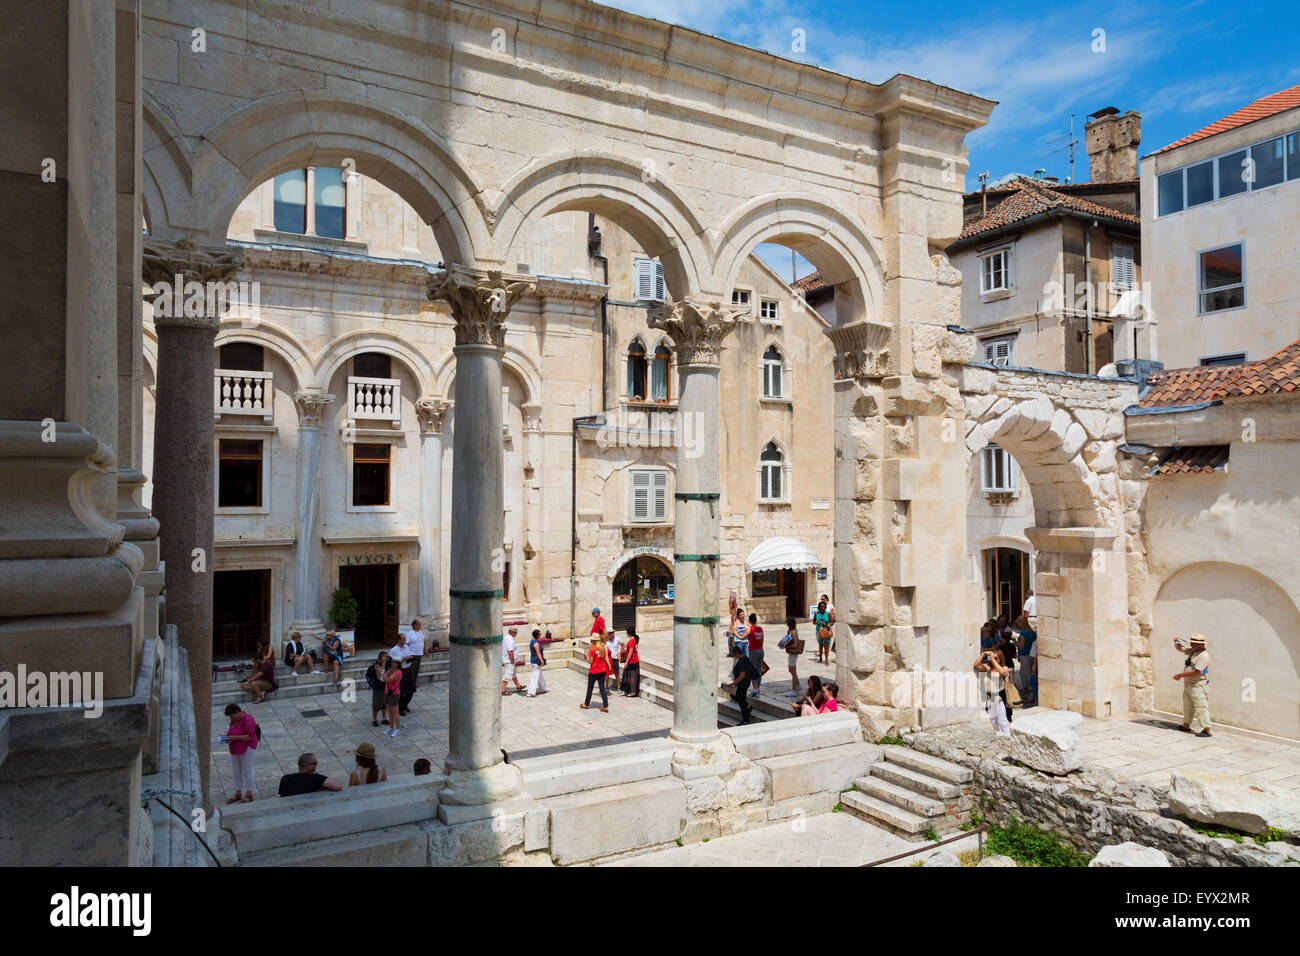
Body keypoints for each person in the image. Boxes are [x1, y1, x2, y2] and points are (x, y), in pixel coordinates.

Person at [1174, 634, 1212, 737]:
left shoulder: (1204, 656)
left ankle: (1207, 729)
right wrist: (1176, 642)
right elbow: (1180, 649)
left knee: (1201, 707)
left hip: (1198, 685)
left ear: (1199, 644)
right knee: (1188, 706)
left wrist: (1180, 675)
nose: (1191, 644)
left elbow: (1197, 671)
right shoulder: (1194, 652)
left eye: (1193, 643)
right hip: (1189, 684)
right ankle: (1186, 725)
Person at [220, 703, 259, 804]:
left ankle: (249, 794)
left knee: (247, 770)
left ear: (237, 712)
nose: (231, 718)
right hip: (235, 748)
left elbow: (250, 736)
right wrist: (226, 737)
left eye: (232, 716)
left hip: (247, 748)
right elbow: (232, 732)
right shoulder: (234, 719)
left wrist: (233, 738)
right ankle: (238, 792)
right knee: (236, 770)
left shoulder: (248, 719)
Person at [975, 647, 1011, 735]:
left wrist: (993, 659)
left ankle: (1007, 736)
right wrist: (983, 654)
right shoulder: (987, 668)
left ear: (1000, 658)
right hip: (990, 698)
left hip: (1000, 698)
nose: (993, 659)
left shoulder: (1004, 668)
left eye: (996, 658)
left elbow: (1002, 672)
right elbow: (976, 665)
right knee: (993, 719)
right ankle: (999, 735)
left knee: (1002, 720)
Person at [722, 645, 760, 724]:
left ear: (738, 653)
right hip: (745, 683)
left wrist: (733, 683)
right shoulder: (745, 658)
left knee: (742, 702)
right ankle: (748, 707)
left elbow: (742, 674)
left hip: (742, 684)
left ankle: (745, 720)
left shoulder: (742, 661)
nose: (734, 656)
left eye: (734, 654)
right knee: (735, 696)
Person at [278, 752, 343, 797]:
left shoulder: (285, 778)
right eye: (315, 763)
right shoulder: (316, 778)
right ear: (308, 766)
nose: (316, 765)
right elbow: (338, 786)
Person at [580, 635, 611, 712]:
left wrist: (585, 657)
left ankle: (586, 704)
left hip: (594, 671)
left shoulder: (592, 649)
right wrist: (609, 666)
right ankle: (606, 706)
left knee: (590, 688)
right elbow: (604, 658)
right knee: (602, 689)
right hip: (602, 670)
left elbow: (591, 662)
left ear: (593, 640)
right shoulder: (602, 648)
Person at [401, 619, 426, 712]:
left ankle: (413, 684)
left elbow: (423, 641)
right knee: (411, 674)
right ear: (414, 625)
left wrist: (425, 650)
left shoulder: (420, 632)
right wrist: (408, 654)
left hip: (419, 655)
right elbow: (406, 644)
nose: (420, 626)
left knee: (415, 673)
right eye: (419, 625)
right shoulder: (410, 633)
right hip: (413, 656)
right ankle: (411, 684)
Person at [1012, 614, 1037, 702]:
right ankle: (1027, 692)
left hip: (1025, 656)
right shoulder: (1032, 632)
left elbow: (1021, 646)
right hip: (1032, 656)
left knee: (1028, 676)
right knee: (1027, 675)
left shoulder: (1023, 633)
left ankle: (1033, 696)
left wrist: (1015, 642)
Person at [777, 616, 801, 696]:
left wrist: (787, 647)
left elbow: (795, 644)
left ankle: (794, 690)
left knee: (793, 671)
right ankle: (797, 685)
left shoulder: (794, 632)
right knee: (791, 670)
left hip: (793, 653)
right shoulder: (790, 631)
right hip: (791, 653)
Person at [366, 651, 391, 727]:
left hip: (385, 687)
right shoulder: (375, 666)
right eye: (385, 657)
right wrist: (383, 663)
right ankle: (374, 719)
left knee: (385, 703)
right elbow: (379, 677)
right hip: (378, 688)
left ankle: (384, 718)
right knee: (376, 704)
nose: (387, 659)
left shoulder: (388, 665)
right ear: (381, 658)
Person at [381, 654, 403, 737]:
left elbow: (387, 680)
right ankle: (391, 727)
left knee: (395, 711)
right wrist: (384, 662)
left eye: (393, 662)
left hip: (394, 694)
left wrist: (381, 672)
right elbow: (383, 677)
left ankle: (397, 729)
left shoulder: (398, 672)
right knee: (389, 711)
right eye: (391, 662)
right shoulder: (390, 671)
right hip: (387, 692)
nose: (391, 663)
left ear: (397, 663)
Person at [746, 612, 765, 698]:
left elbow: (742, 637)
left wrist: (735, 632)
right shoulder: (760, 629)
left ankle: (755, 690)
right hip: (761, 650)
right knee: (759, 669)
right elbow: (762, 640)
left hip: (753, 651)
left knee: (753, 670)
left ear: (749, 621)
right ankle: (758, 688)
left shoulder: (750, 629)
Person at [501, 626, 524, 696]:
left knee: (513, 674)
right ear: (513, 633)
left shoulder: (505, 638)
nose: (516, 634)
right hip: (509, 660)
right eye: (516, 632)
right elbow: (510, 651)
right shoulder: (510, 640)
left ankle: (518, 686)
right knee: (508, 675)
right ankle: (503, 690)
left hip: (506, 659)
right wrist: (512, 661)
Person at [527, 628, 549, 698]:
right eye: (539, 634)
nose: (540, 635)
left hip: (534, 661)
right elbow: (538, 653)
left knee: (540, 675)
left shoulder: (533, 641)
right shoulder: (536, 643)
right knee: (535, 676)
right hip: (536, 661)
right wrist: (542, 661)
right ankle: (531, 692)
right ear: (536, 635)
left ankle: (543, 688)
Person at [812, 599, 833, 665]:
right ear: (819, 607)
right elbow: (813, 622)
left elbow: (832, 622)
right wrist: (816, 623)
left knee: (826, 646)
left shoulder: (828, 613)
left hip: (826, 631)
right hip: (819, 631)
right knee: (820, 645)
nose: (822, 607)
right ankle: (820, 658)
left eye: (824, 606)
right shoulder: (816, 613)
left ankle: (826, 659)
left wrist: (827, 625)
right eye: (821, 606)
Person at [622, 626, 641, 697]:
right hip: (634, 660)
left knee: (632, 677)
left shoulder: (631, 641)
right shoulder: (634, 640)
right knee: (633, 676)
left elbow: (630, 652)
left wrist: (626, 661)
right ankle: (633, 690)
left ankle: (633, 692)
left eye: (626, 632)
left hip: (632, 661)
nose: (626, 633)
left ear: (629, 633)